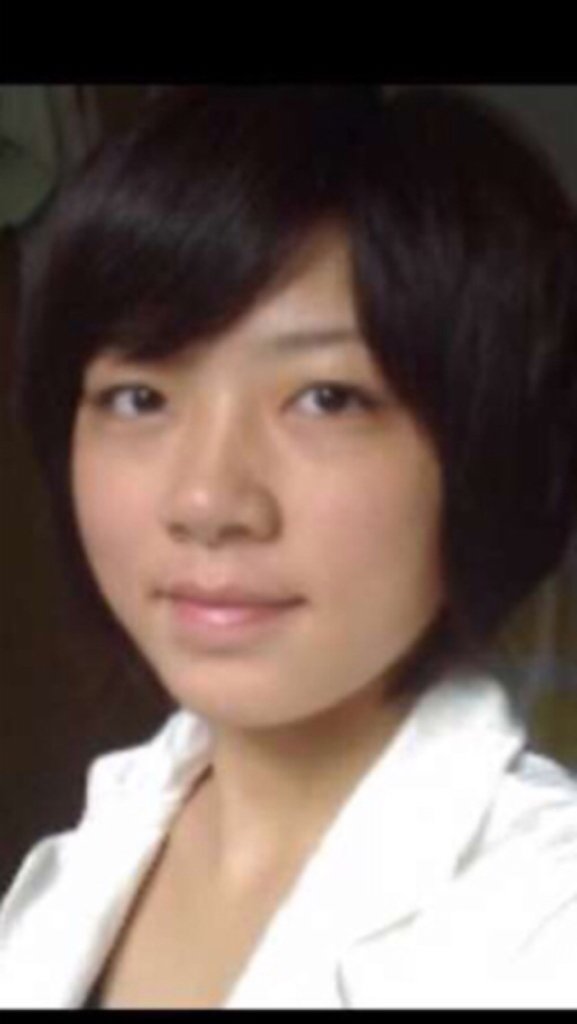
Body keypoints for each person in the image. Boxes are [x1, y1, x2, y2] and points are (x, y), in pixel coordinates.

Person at [1, 85, 577, 1010]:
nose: (206, 501)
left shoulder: (542, 923)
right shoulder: (91, 850)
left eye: (325, 399)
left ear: (487, 447)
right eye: (139, 398)